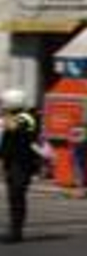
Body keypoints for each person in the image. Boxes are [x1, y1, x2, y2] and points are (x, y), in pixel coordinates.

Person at [2, 88, 41, 243]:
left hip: (22, 164)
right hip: (13, 163)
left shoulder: (27, 117)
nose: (2, 105)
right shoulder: (17, 116)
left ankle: (16, 232)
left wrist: (5, 115)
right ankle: (14, 230)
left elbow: (11, 126)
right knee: (13, 197)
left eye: (4, 102)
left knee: (17, 197)